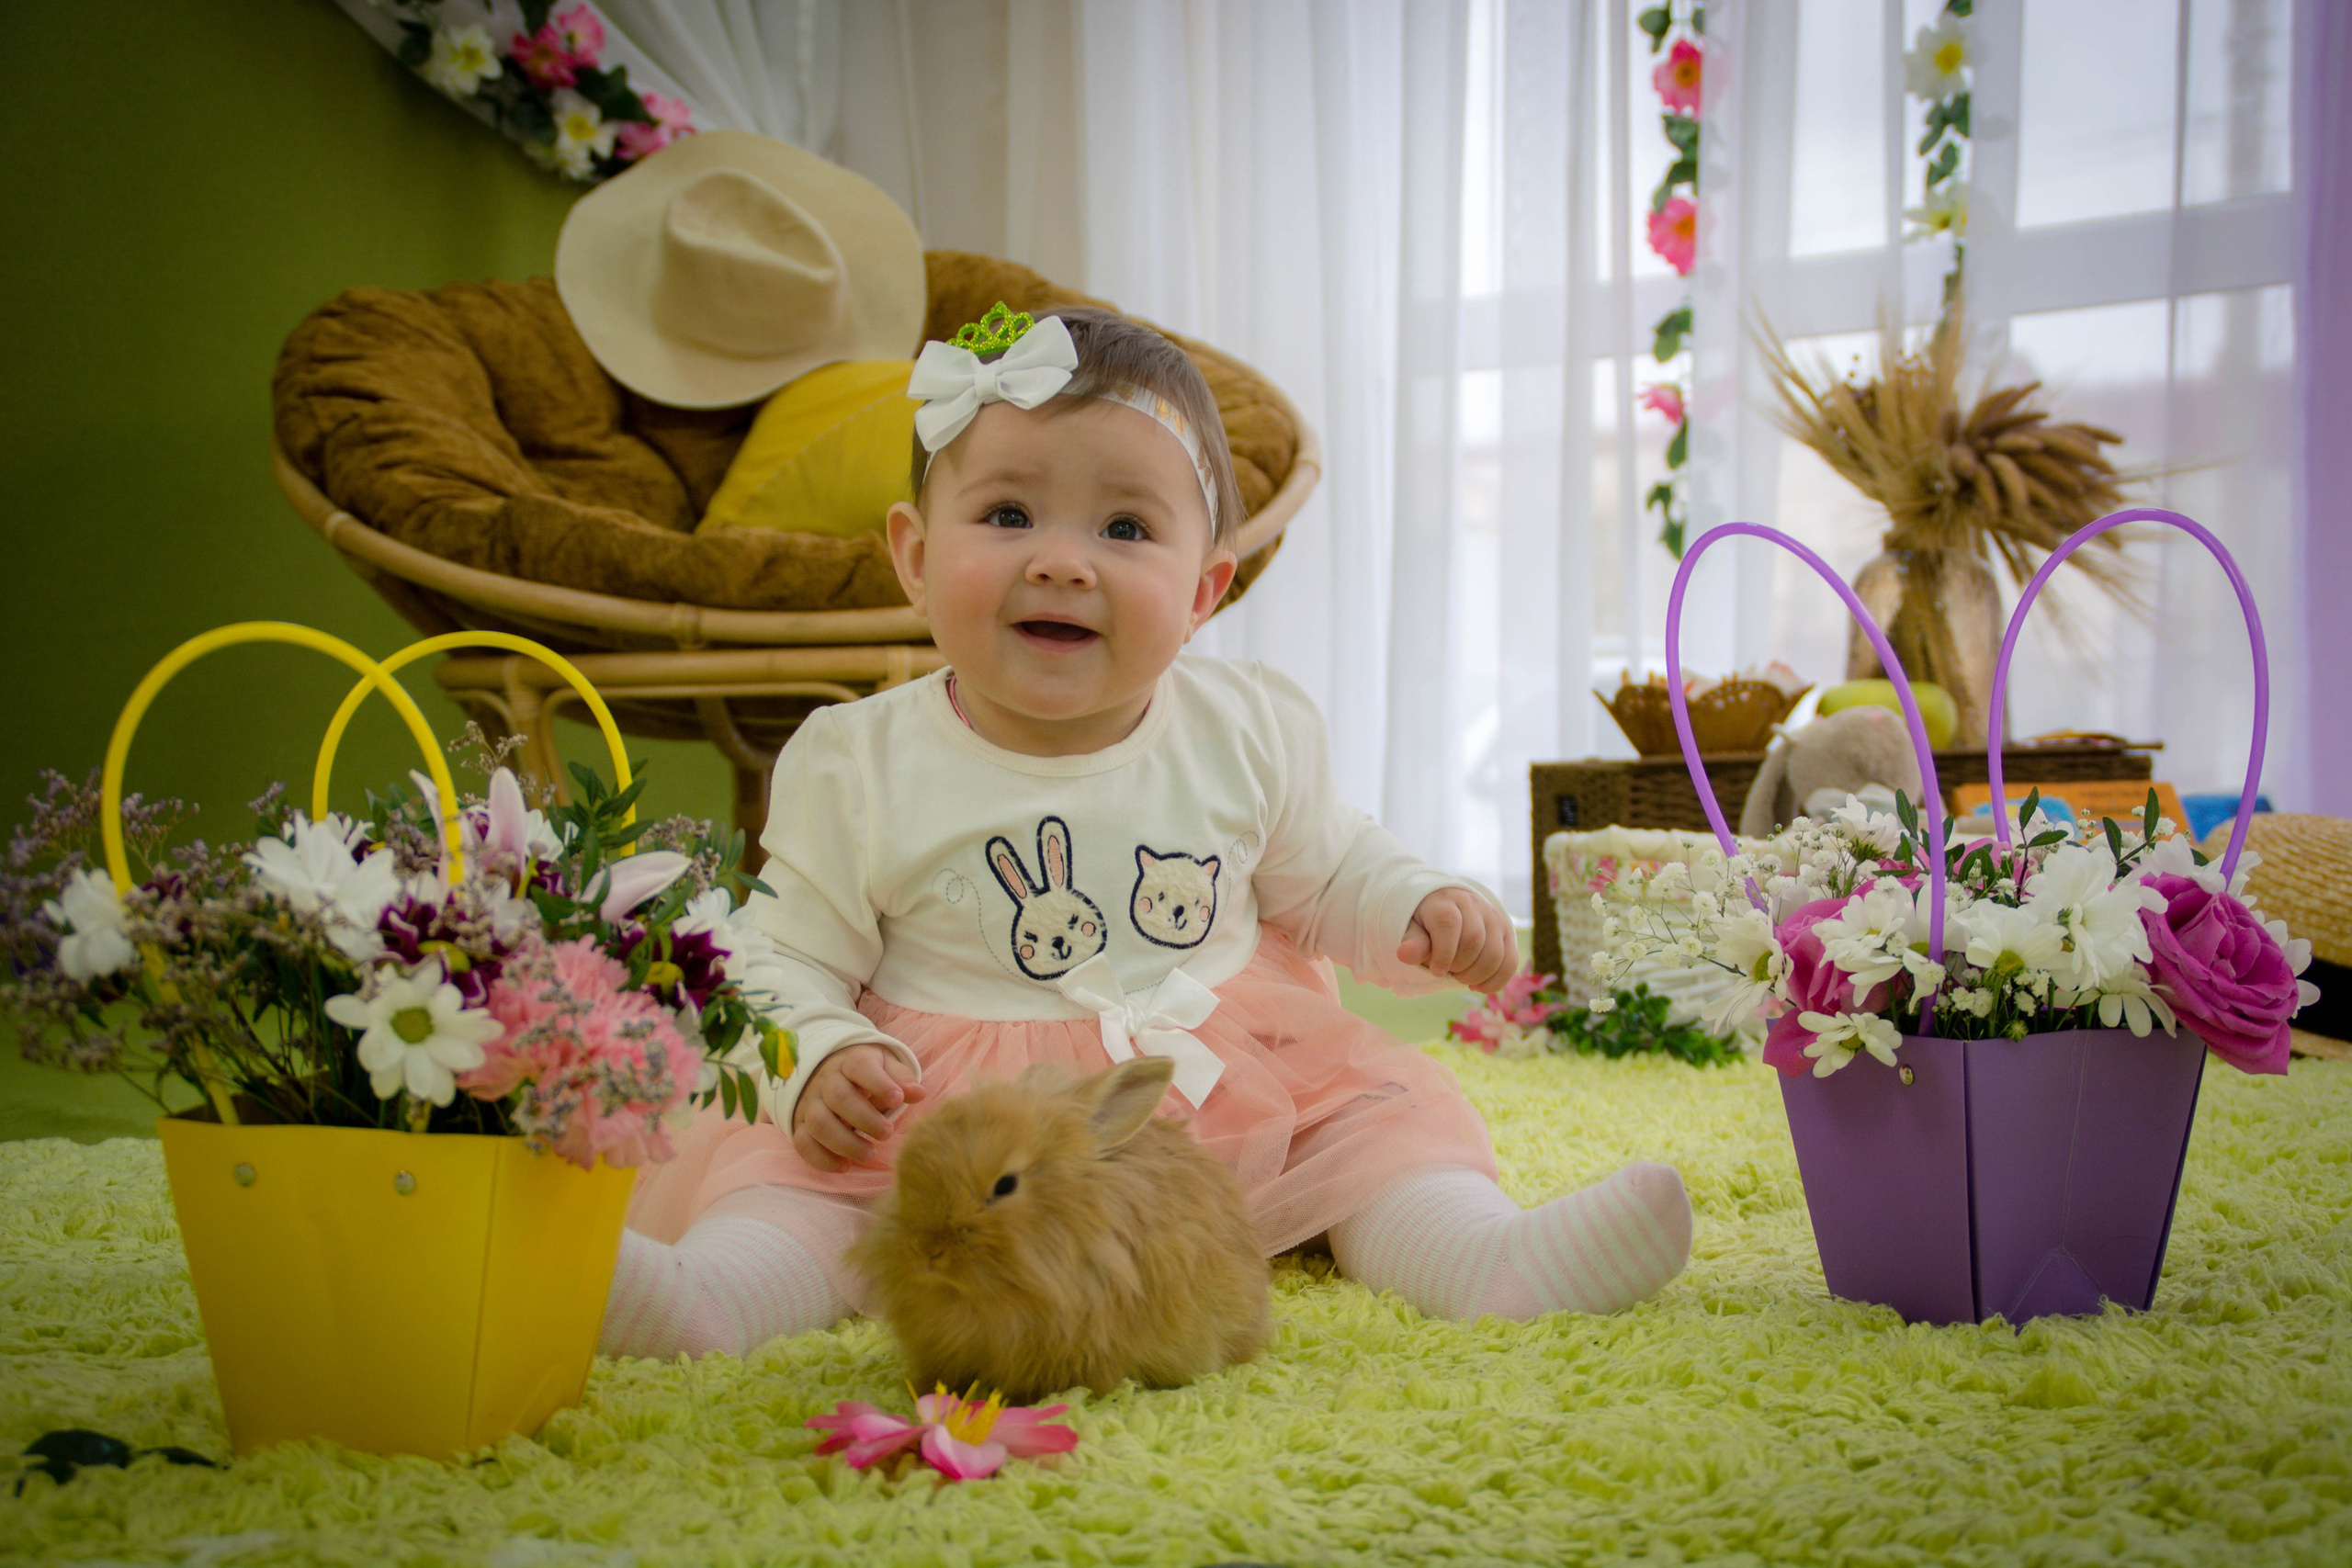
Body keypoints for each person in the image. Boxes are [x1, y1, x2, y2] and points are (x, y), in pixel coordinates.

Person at [602, 305, 1691, 1358]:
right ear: (915, 555)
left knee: (1374, 1122)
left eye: (1125, 528)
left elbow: (1326, 868)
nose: (1062, 561)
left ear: (1204, 587)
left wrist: (1411, 903)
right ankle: (716, 1297)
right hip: (947, 1107)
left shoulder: (1246, 725)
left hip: (1211, 1077)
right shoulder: (859, 759)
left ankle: (1482, 1256)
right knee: (812, 1177)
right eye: (1007, 516)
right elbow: (782, 953)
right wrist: (822, 1057)